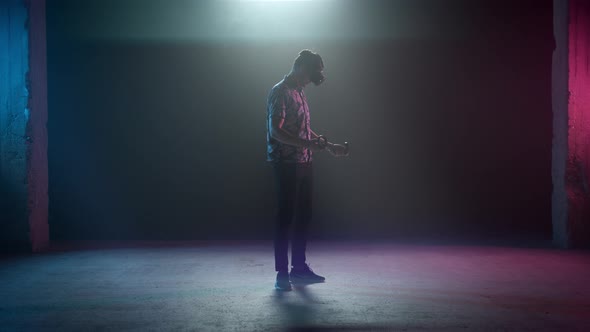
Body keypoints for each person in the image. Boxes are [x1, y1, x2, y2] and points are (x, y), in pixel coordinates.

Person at [266, 49, 347, 291]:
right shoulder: (279, 92)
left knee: (304, 215)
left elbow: (300, 128)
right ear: (300, 67)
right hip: (285, 163)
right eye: (311, 75)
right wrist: (307, 144)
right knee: (285, 218)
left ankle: (299, 268)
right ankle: (282, 274)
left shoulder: (299, 92)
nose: (310, 81)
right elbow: (276, 131)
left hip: (304, 161)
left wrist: (326, 145)